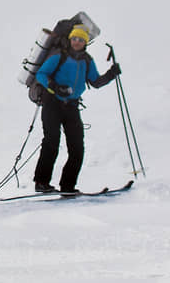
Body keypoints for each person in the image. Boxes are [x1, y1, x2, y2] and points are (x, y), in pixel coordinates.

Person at [32, 25, 121, 193]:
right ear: (70, 40)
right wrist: (55, 87)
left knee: (77, 147)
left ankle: (68, 186)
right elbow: (41, 74)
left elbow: (95, 82)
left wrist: (111, 74)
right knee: (52, 142)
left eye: (80, 40)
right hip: (52, 103)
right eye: (74, 39)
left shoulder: (87, 60)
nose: (77, 42)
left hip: (72, 106)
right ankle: (41, 183)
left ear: (85, 42)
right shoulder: (59, 56)